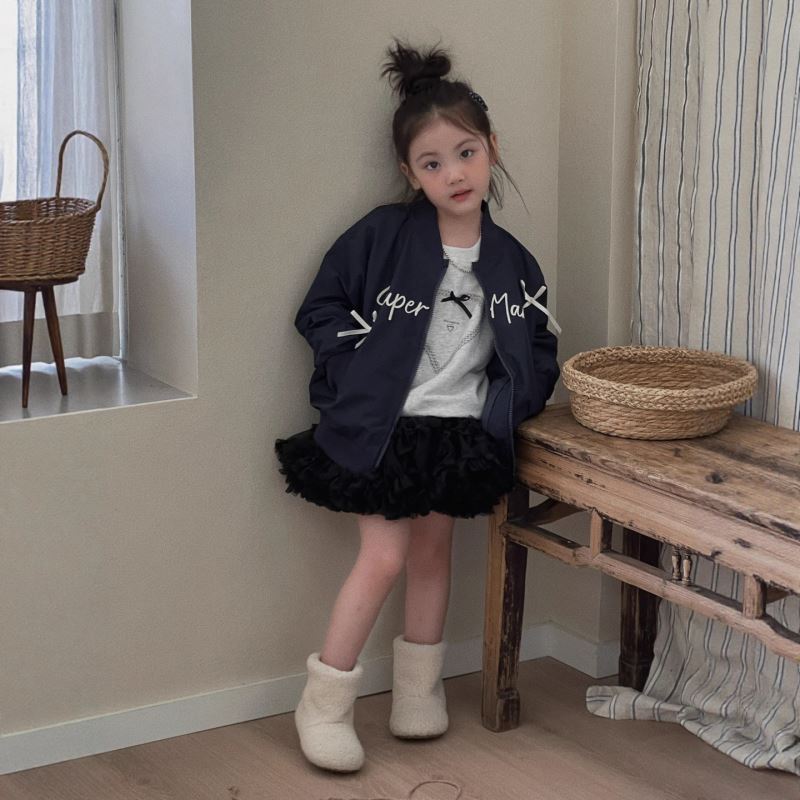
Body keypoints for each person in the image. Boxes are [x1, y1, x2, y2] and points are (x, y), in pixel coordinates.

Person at [274, 40, 560, 773]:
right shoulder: (382, 235)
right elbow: (321, 306)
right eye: (432, 164)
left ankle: (418, 693)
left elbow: (537, 343)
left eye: (465, 154)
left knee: (435, 556)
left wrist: (515, 403)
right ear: (410, 173)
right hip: (383, 429)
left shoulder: (512, 260)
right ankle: (324, 704)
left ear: (491, 148)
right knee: (385, 556)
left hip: (458, 433)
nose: (453, 174)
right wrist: (355, 369)